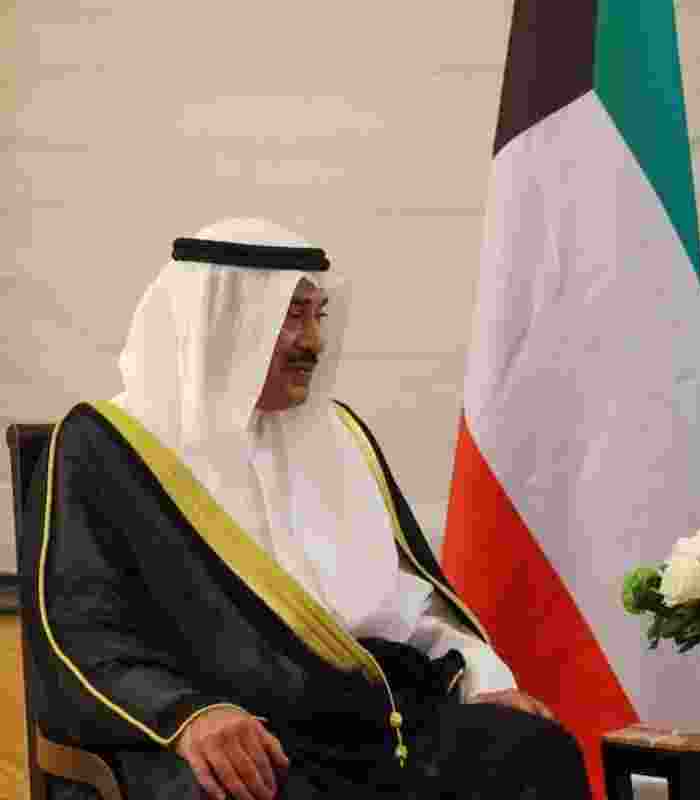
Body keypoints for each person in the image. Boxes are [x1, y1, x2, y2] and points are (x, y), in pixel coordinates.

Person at [21, 218, 590, 800]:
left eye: (317, 314)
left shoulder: (338, 435)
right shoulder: (108, 446)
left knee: (529, 750)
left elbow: (404, 601)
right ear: (223, 319)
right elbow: (82, 630)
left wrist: (479, 677)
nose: (313, 342)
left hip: (362, 722)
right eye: (290, 315)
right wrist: (186, 715)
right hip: (222, 733)